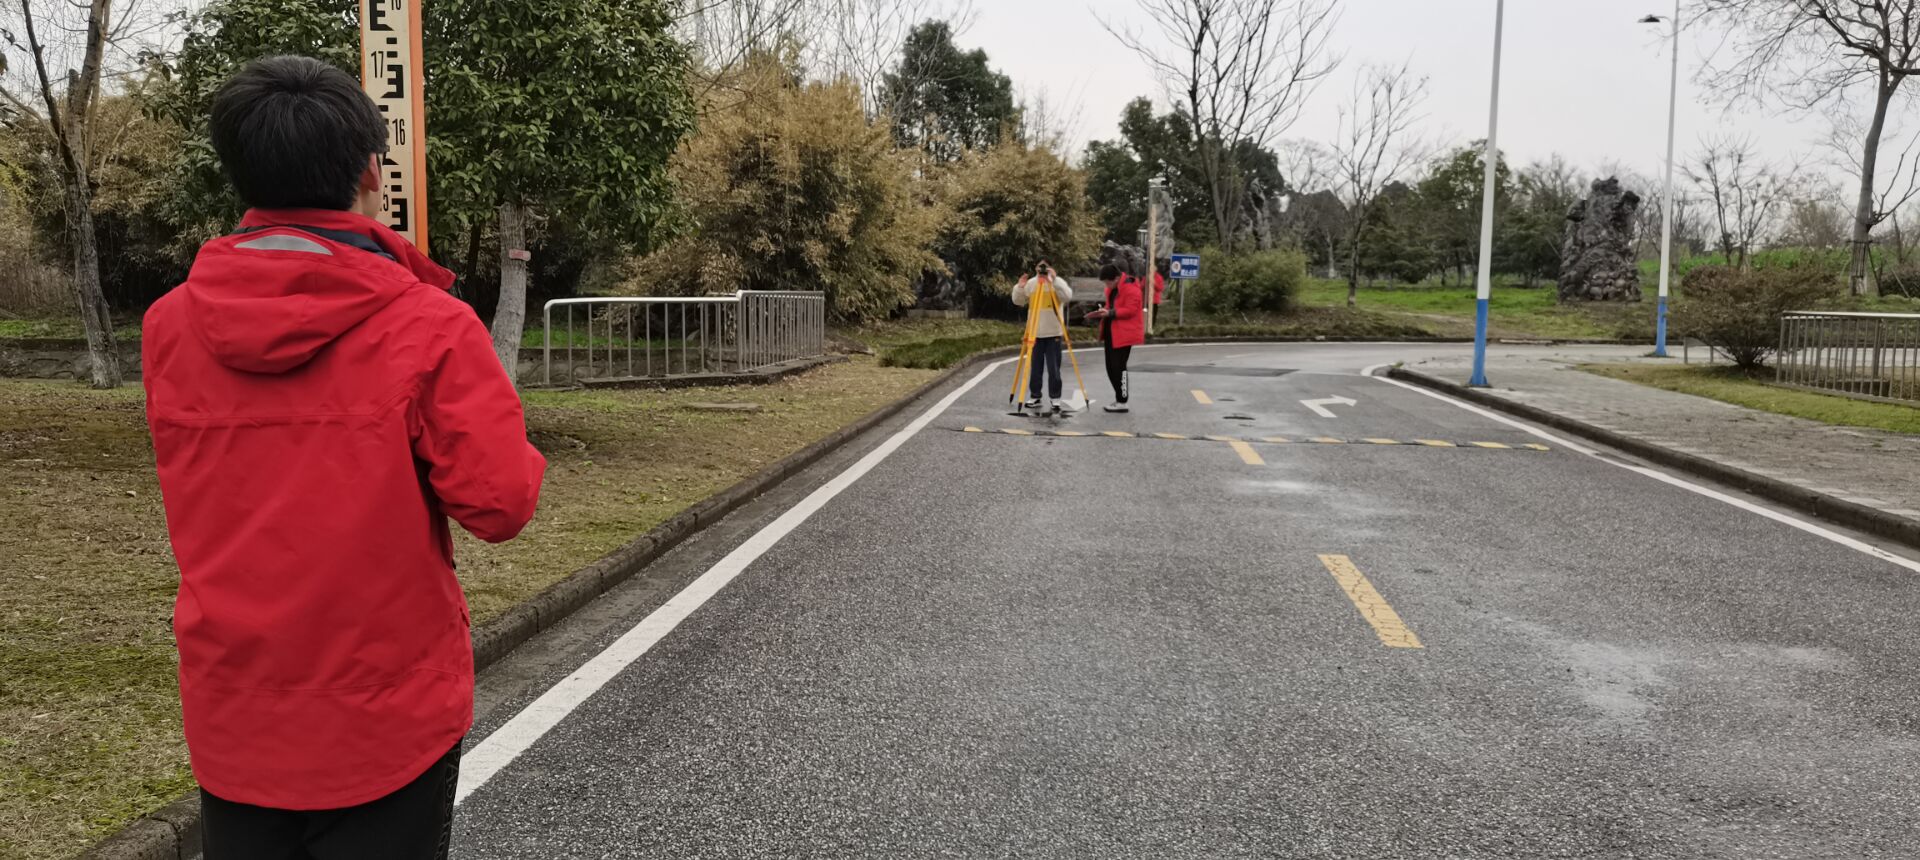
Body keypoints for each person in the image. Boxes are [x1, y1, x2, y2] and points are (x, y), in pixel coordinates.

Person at [142, 56, 546, 860]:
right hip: (388, 715)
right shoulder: (429, 324)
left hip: (234, 706)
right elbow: (502, 504)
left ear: (238, 170)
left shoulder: (170, 325)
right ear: (369, 170)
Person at [1011, 260, 1073, 410]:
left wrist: (1055, 280)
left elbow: (1067, 297)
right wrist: (1019, 287)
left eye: (1045, 267)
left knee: (1054, 369)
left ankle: (1055, 397)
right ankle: (1035, 396)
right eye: (1040, 267)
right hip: (1035, 333)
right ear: (1036, 268)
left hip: (1053, 333)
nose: (1042, 270)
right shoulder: (1031, 284)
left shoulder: (1057, 283)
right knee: (1035, 368)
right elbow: (1018, 301)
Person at [1086, 263, 1144, 413]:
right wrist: (1103, 311)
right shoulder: (1111, 289)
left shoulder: (1131, 289)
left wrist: (1111, 312)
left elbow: (1131, 310)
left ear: (1117, 278)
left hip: (1124, 333)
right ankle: (1119, 399)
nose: (1107, 285)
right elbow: (1110, 305)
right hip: (1111, 332)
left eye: (1108, 282)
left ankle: (1122, 401)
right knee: (1110, 367)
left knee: (1119, 367)